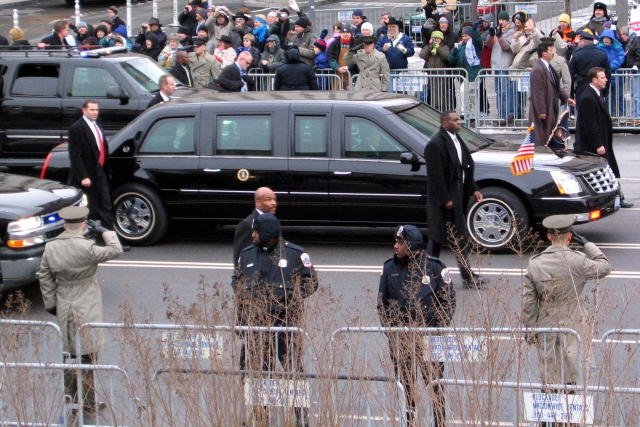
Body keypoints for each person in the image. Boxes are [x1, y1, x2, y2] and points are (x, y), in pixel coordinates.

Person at [232, 213, 318, 427]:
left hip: (284, 324)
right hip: (255, 325)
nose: (252, 235)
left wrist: (285, 298)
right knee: (252, 371)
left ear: (268, 234)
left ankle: (300, 416)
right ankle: (259, 416)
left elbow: (311, 283)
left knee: (291, 368)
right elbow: (237, 281)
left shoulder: (295, 254)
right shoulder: (247, 254)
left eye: (257, 232)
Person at [38, 206, 123, 414]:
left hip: (64, 302)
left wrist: (51, 303)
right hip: (86, 302)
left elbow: (45, 276)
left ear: (65, 225)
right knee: (87, 355)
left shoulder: (51, 247)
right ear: (83, 224)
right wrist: (105, 231)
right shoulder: (87, 247)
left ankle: (72, 398)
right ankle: (88, 402)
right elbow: (115, 249)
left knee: (68, 354)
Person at [378, 225, 455, 427]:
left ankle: (440, 422)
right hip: (401, 336)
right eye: (395, 242)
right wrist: (392, 331)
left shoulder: (435, 267)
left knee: (435, 384)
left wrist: (437, 330)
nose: (395, 246)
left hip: (428, 336)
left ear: (411, 246)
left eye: (400, 243)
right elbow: (382, 303)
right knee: (406, 385)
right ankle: (409, 422)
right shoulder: (389, 267)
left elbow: (448, 302)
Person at [522, 214, 611, 388]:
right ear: (570, 237)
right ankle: (571, 404)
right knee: (573, 366)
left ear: (549, 236)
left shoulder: (535, 264)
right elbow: (605, 267)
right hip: (574, 317)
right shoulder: (577, 260)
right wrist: (587, 244)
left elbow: (529, 302)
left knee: (549, 369)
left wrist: (531, 329)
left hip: (547, 318)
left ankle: (551, 405)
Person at [424, 111, 488, 289]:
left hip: (457, 195)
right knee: (443, 238)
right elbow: (435, 177)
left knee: (452, 237)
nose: (459, 122)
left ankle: (433, 274)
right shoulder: (435, 145)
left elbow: (464, 168)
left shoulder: (457, 140)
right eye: (455, 120)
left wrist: (474, 189)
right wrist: (446, 199)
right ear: (445, 123)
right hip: (445, 200)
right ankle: (462, 276)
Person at [574, 67, 634, 208]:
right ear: (594, 80)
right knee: (603, 173)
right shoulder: (588, 97)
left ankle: (616, 198)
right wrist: (598, 144)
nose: (606, 80)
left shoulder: (595, 94)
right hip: (594, 146)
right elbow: (590, 124)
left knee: (606, 172)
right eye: (602, 77)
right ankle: (612, 199)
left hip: (601, 142)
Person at [68, 100, 116, 232]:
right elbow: (75, 155)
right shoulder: (76, 128)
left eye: (96, 110)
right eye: (92, 110)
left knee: (106, 204)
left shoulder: (97, 127)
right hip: (88, 173)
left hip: (101, 171)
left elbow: (102, 150)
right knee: (91, 207)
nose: (95, 112)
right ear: (84, 110)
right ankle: (90, 238)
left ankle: (109, 237)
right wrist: (83, 176)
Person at [528, 42, 575, 146]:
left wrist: (567, 98)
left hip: (550, 105)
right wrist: (542, 111)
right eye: (550, 50)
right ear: (544, 53)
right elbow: (538, 92)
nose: (552, 53)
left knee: (548, 132)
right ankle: (541, 153)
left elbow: (556, 85)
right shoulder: (538, 69)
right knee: (542, 135)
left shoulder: (548, 66)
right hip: (544, 107)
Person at [232, 187, 277, 264]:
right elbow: (240, 256)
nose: (273, 203)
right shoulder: (247, 225)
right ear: (258, 202)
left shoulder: (273, 222)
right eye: (268, 200)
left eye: (274, 199)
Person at [487, 11, 515, 123]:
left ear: (507, 20)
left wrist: (500, 36)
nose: (501, 22)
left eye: (503, 20)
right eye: (500, 20)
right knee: (498, 91)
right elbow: (489, 45)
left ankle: (505, 114)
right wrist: (491, 35)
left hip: (504, 65)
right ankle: (500, 114)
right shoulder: (497, 30)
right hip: (496, 64)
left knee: (504, 91)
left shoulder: (511, 31)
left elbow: (507, 47)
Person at [568, 30, 610, 105]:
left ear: (583, 42)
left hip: (582, 87)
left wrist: (571, 93)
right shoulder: (602, 54)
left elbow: (571, 75)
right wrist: (605, 91)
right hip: (598, 86)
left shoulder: (576, 55)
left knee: (582, 113)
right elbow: (607, 73)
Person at [597, 29, 626, 118]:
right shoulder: (598, 48)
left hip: (618, 78)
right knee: (607, 98)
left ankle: (622, 115)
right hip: (604, 78)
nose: (605, 39)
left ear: (612, 39)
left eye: (608, 38)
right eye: (604, 38)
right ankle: (609, 116)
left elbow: (620, 59)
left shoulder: (619, 47)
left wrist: (607, 67)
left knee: (620, 97)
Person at [620, 26, 640, 125]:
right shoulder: (629, 43)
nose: (621, 36)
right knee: (633, 94)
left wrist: (636, 66)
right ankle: (633, 115)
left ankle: (637, 116)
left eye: (623, 34)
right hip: (632, 71)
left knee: (636, 94)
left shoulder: (635, 41)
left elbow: (639, 54)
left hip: (636, 71)